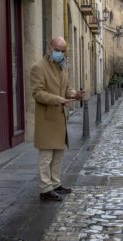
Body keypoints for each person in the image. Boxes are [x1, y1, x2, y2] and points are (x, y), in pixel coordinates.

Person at [30, 36, 86, 201]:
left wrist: (75, 94)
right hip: (47, 118)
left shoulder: (63, 67)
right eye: (57, 50)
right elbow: (37, 93)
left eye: (63, 51)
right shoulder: (38, 68)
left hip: (60, 118)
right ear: (49, 47)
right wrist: (58, 99)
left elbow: (66, 88)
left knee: (58, 154)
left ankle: (55, 184)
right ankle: (45, 189)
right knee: (46, 156)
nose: (60, 53)